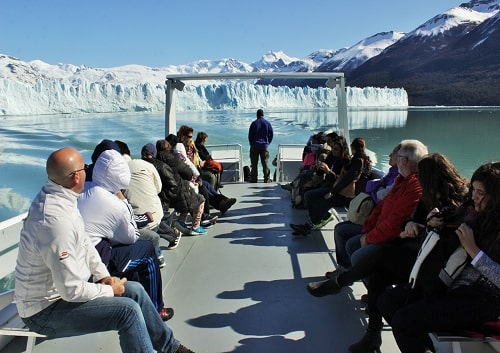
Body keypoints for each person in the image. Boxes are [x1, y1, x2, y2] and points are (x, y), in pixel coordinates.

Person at [13, 147, 195, 353]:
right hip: (45, 312)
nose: (87, 171)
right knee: (128, 312)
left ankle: (170, 348)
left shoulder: (62, 197)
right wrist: (109, 290)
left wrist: (103, 277)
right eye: (84, 168)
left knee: (135, 290)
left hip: (63, 296)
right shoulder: (55, 221)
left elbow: (85, 243)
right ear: (75, 177)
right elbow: (70, 290)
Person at [307, 153, 469, 353]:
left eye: (422, 176)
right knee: (376, 276)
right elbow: (406, 221)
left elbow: (454, 240)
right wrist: (414, 224)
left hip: (433, 264)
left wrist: (434, 225)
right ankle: (373, 335)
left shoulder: (458, 203)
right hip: (416, 253)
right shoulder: (426, 197)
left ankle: (341, 282)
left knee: (380, 256)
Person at [377, 161, 500, 353]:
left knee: (403, 322)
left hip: (483, 297)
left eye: (480, 193)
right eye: (473, 190)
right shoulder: (470, 213)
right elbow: (445, 245)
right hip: (448, 281)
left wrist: (474, 251)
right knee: (387, 302)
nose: (474, 196)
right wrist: (432, 225)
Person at [77, 149, 173, 321]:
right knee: (147, 250)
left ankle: (133, 298)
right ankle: (157, 308)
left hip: (78, 260)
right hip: (96, 266)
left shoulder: (85, 188)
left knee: (130, 252)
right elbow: (132, 236)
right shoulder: (115, 204)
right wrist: (123, 201)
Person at [323, 139, 428, 275]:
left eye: (398, 156)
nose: (393, 157)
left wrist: (368, 238)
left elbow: (394, 223)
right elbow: (380, 208)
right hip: (378, 228)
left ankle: (354, 276)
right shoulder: (400, 180)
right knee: (341, 230)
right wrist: (368, 230)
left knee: (352, 245)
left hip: (393, 238)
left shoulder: (414, 187)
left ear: (404, 161)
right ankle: (346, 270)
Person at [291, 137, 372, 236]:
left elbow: (345, 180)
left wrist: (331, 186)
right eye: (332, 148)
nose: (333, 150)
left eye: (336, 149)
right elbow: (328, 174)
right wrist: (317, 168)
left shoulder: (352, 161)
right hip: (334, 187)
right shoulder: (336, 157)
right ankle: (319, 220)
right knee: (308, 192)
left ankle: (311, 225)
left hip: (344, 194)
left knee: (318, 198)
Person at [248, 109, 273, 183]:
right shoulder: (267, 123)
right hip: (264, 146)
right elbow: (271, 134)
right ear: (263, 115)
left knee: (254, 163)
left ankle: (254, 179)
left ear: (257, 115)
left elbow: (250, 135)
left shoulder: (254, 123)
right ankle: (266, 179)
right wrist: (268, 142)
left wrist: (251, 143)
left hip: (255, 145)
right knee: (265, 163)